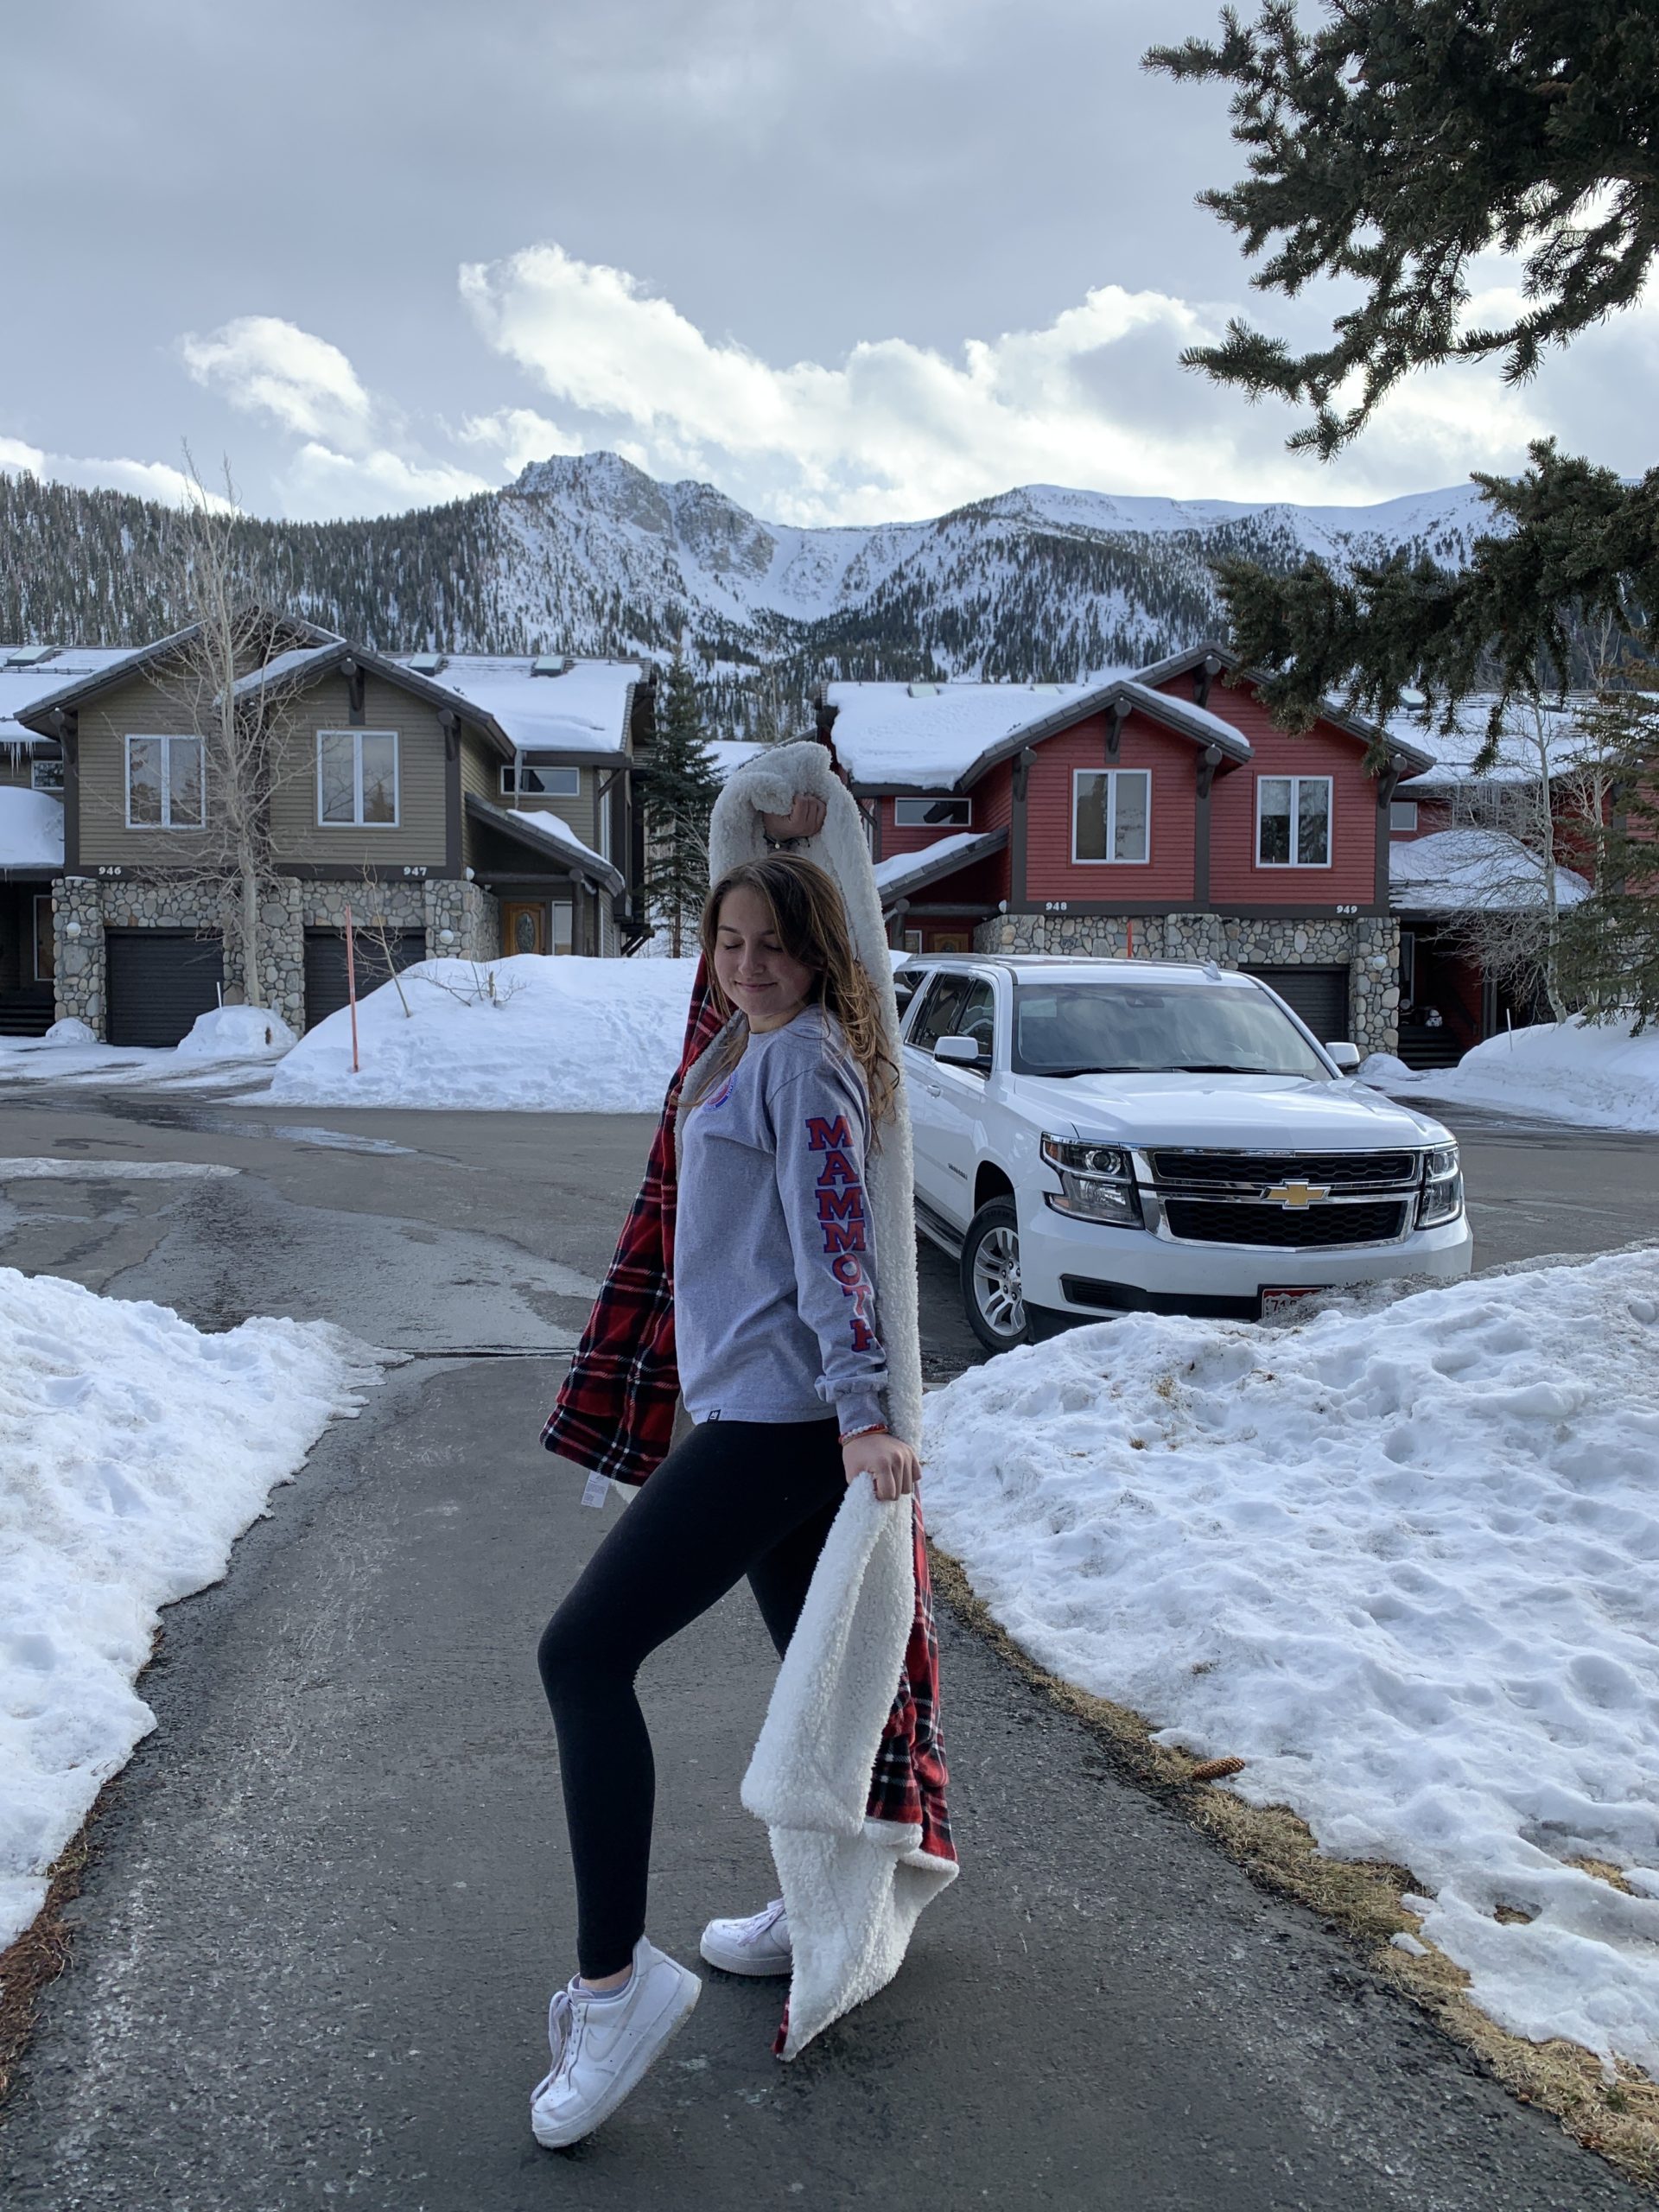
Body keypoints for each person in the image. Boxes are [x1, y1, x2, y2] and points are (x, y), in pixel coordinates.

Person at [530, 853, 923, 2151]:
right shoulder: (739, 1042)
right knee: (820, 1680)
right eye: (729, 939)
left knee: (583, 1655)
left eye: (776, 944)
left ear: (821, 955)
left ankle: (614, 1990)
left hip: (782, 1423)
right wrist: (793, 811)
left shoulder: (801, 1061)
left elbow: (836, 1229)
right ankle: (834, 1903)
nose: (749, 963)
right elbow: (749, 844)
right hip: (758, 1411)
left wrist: (861, 1410)